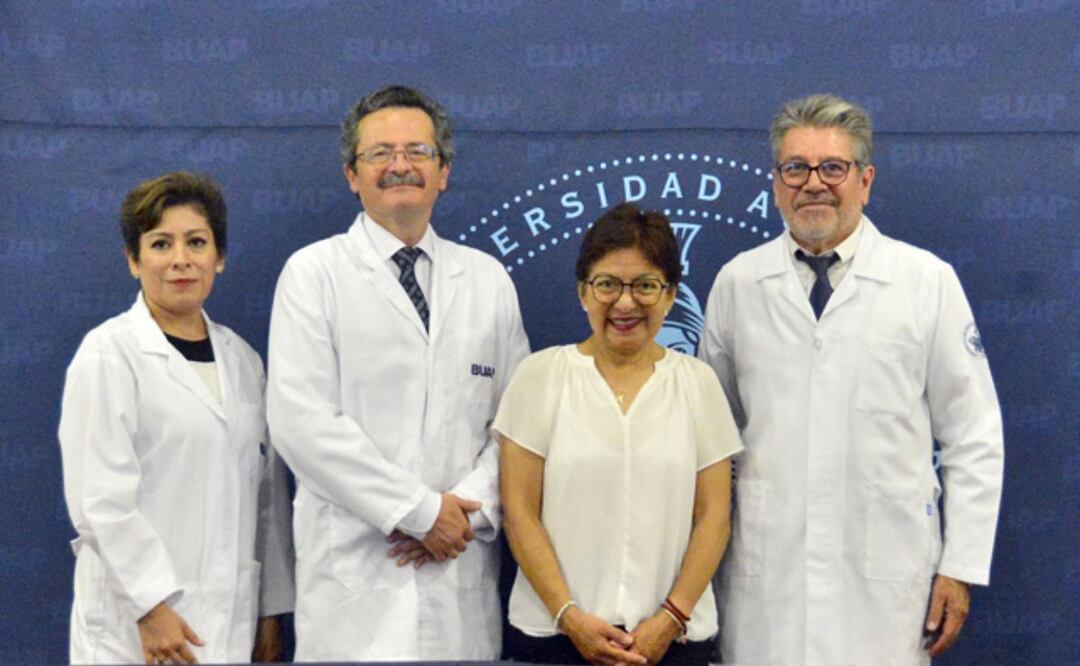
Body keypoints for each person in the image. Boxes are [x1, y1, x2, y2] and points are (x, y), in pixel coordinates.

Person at [699, 93, 1005, 665]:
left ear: (864, 181)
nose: (813, 183)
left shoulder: (925, 281)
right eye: (796, 168)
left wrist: (959, 567)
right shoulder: (737, 284)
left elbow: (974, 434)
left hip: (887, 585)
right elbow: (712, 440)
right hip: (767, 583)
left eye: (832, 168)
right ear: (775, 183)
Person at [266, 84, 530, 661]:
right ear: (351, 175)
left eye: (417, 152)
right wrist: (418, 511)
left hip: (458, 576)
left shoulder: (487, 280)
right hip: (354, 590)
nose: (399, 166)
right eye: (379, 154)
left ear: (443, 172)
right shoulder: (313, 274)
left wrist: (461, 509)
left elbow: (517, 423)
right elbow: (300, 422)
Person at [58, 172, 295, 664]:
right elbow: (100, 501)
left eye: (197, 242)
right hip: (134, 630)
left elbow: (267, 501)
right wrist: (150, 606)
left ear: (220, 257)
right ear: (133, 259)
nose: (181, 259)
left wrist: (268, 614)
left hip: (229, 624)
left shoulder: (245, 362)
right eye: (161, 243)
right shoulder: (109, 355)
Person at [496, 203, 743, 665]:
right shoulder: (540, 377)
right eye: (607, 284)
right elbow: (520, 511)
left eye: (646, 285)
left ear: (670, 295)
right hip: (556, 640)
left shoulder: (698, 384)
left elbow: (714, 517)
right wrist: (569, 618)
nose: (625, 303)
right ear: (583, 292)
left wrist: (670, 618)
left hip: (674, 642)